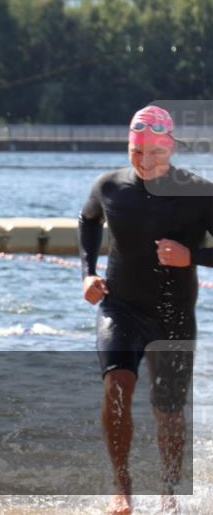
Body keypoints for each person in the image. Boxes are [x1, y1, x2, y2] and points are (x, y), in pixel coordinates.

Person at [78, 105, 213, 515]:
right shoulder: (111, 187)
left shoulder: (198, 194)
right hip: (119, 307)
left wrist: (191, 255)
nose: (145, 160)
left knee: (169, 413)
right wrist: (87, 272)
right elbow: (87, 221)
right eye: (137, 151)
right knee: (116, 386)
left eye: (154, 152)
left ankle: (169, 492)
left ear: (169, 148)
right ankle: (122, 487)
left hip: (172, 315)